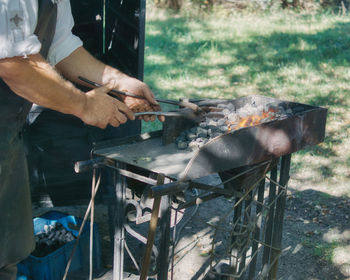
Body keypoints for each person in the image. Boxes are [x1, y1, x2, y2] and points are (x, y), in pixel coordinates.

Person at [0, 0, 163, 278]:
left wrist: (120, 84)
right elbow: (14, 64)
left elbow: (62, 47)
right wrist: (83, 105)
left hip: (6, 133)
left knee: (6, 252)